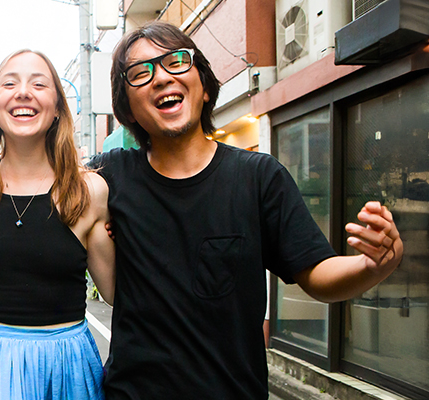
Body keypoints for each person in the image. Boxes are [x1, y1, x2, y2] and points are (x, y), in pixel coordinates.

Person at [89, 21, 404, 399]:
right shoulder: (110, 177)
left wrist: (371, 266)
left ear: (204, 87)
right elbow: (43, 189)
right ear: (127, 110)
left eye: (176, 62)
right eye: (140, 73)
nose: (161, 78)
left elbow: (316, 272)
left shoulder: (258, 177)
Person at [0, 50, 114, 400]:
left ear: (57, 107)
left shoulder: (89, 189)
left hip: (69, 365)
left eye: (39, 84)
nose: (23, 92)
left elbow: (114, 292)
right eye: (9, 83)